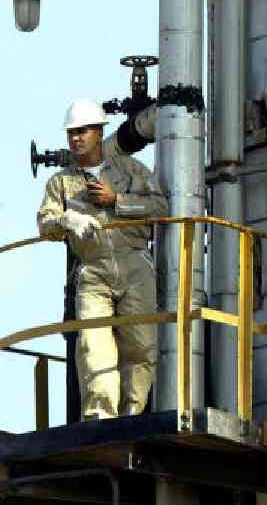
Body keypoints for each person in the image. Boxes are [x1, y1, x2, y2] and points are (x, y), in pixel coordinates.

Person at [36, 99, 168, 420]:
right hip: (93, 272)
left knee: (141, 347)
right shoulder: (62, 183)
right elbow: (45, 223)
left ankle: (132, 413)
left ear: (99, 133)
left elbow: (160, 208)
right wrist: (68, 219)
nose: (76, 138)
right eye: (72, 133)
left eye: (83, 131)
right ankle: (100, 414)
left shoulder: (130, 170)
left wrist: (117, 200)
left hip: (136, 265)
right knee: (94, 345)